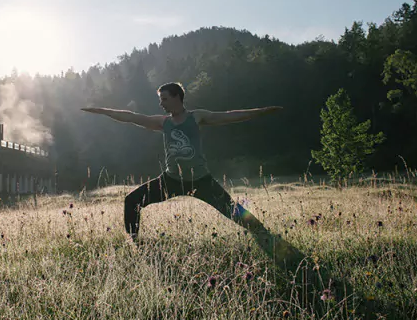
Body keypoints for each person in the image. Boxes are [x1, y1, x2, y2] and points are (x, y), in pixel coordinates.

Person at [81, 82, 283, 242]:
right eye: (161, 100)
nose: (161, 103)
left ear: (177, 97)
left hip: (201, 180)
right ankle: (134, 242)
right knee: (132, 201)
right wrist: (102, 111)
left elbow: (229, 116)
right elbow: (132, 117)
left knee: (232, 210)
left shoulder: (196, 117)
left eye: (165, 99)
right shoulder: (163, 122)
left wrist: (261, 111)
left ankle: (265, 235)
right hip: (171, 180)